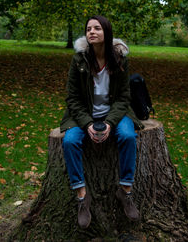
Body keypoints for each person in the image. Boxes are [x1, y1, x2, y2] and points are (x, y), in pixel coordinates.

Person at [60, 15, 143, 229]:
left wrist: (109, 123)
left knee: (127, 136)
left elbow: (124, 97)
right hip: (83, 115)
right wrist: (88, 123)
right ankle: (82, 196)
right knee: (69, 141)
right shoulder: (79, 60)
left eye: (97, 28)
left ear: (106, 32)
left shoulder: (120, 59)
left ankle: (125, 191)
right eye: (88, 29)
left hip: (115, 114)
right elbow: (72, 98)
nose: (92, 32)